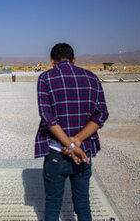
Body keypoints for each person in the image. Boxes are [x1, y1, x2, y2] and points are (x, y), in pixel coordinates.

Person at [35, 43, 109, 220]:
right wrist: (77, 141)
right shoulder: (92, 77)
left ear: (52, 61)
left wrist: (69, 144)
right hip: (84, 151)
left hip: (56, 151)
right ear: (74, 60)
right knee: (83, 203)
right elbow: (102, 113)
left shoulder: (46, 78)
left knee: (53, 204)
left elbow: (47, 116)